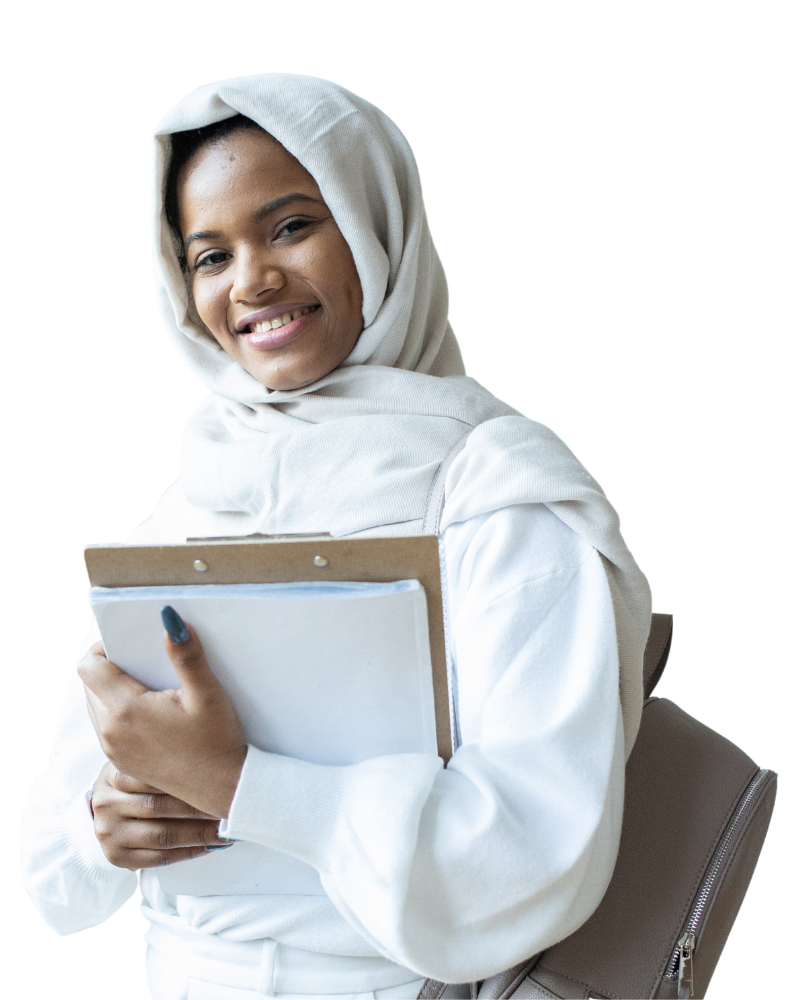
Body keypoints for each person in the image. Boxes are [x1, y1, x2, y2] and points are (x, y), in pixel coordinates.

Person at [19, 73, 652, 1000]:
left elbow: (533, 853)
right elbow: (52, 859)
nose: (252, 280)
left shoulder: (498, 488)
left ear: (376, 223)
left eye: (289, 226)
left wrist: (245, 785)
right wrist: (102, 826)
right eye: (209, 256)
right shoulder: (189, 510)